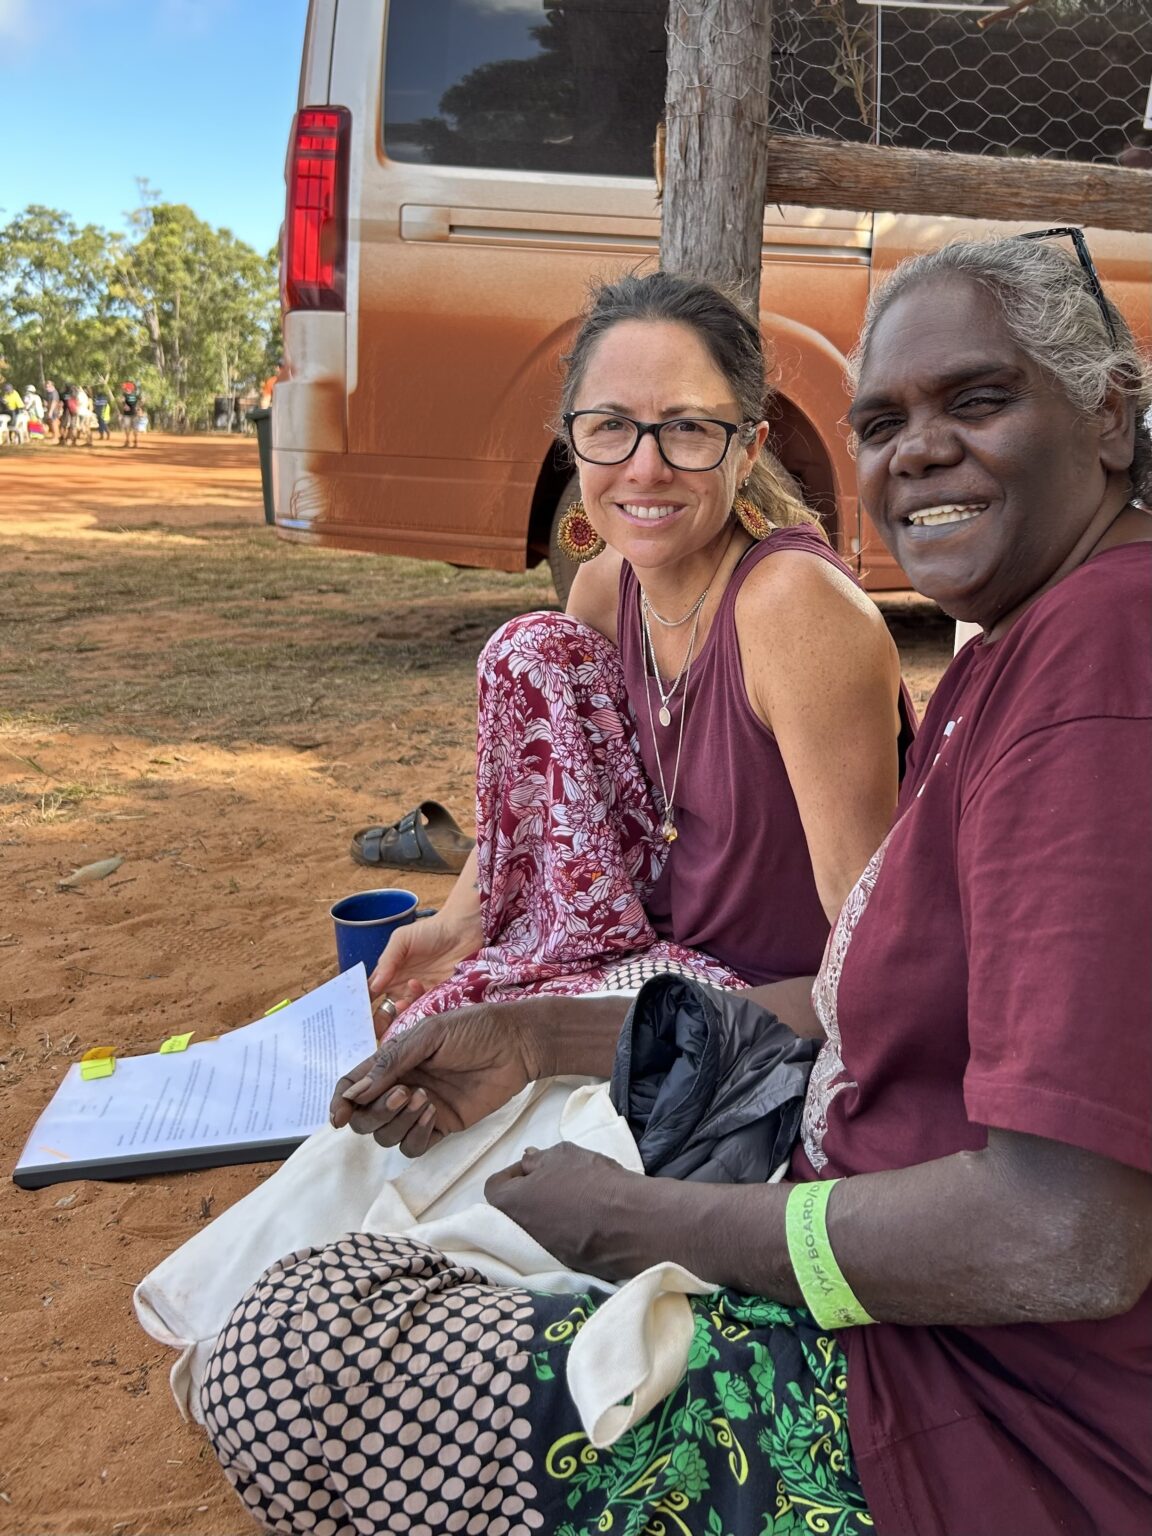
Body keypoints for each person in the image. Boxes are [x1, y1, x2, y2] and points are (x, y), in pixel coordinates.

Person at [201, 237, 1152, 1534]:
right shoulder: (1033, 651)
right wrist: (544, 1032)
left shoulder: (1089, 689)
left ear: (1108, 411)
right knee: (333, 1279)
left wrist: (665, 1223)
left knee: (290, 1355)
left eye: (976, 400)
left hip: (978, 1420)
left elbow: (1072, 1239)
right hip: (872, 1248)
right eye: (882, 420)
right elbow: (884, 997)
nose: (917, 450)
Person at [357, 271, 907, 1034]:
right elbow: (549, 780)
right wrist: (458, 923)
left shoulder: (791, 606)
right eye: (611, 426)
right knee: (531, 648)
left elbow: (873, 937)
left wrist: (606, 1041)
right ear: (573, 440)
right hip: (653, 959)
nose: (645, 468)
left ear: (746, 450)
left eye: (686, 428)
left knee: (466, 1064)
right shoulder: (606, 584)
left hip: (780, 1011)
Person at [121, 379, 141, 446]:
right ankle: (127, 441)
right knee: (127, 428)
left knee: (134, 428)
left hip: (134, 414)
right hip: (127, 414)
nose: (126, 389)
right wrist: (125, 405)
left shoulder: (135, 395)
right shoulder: (124, 395)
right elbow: (122, 401)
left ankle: (135, 441)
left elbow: (142, 401)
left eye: (127, 388)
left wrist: (138, 407)